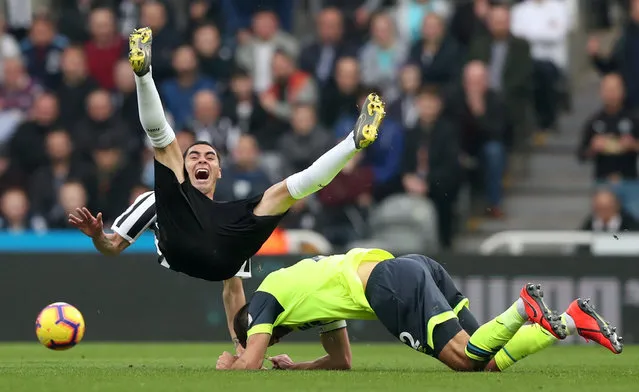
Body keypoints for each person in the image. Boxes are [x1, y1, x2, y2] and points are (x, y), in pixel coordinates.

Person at [68, 27, 386, 352]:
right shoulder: (156, 201)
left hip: (219, 240)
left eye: (210, 157)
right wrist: (97, 235)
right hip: (181, 238)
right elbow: (113, 245)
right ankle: (143, 71)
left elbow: (233, 290)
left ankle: (354, 140)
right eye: (194, 156)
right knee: (165, 145)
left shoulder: (230, 220)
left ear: (219, 170)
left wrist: (241, 350)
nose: (201, 160)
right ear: (188, 168)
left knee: (286, 191)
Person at [218, 249, 623, 371]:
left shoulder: (267, 295)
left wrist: (229, 362)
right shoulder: (309, 301)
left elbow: (250, 363)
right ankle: (570, 320)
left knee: (465, 362)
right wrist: (299, 368)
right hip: (411, 267)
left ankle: (522, 306)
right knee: (486, 361)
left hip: (391, 286)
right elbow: (342, 362)